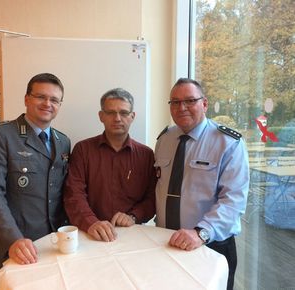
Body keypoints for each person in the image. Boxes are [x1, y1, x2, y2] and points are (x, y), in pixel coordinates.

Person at [0, 73, 71, 279]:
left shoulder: (63, 141)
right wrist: (12, 239)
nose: (47, 103)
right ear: (27, 99)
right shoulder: (0, 135)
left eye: (54, 100)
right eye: (40, 97)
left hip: (51, 244)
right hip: (14, 243)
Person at [155, 78, 249, 290]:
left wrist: (201, 233)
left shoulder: (228, 143)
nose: (182, 107)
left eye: (190, 100)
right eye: (175, 102)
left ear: (204, 103)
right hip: (166, 241)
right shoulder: (164, 139)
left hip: (210, 244)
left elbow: (233, 201)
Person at [64, 88, 156, 242]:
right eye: (111, 113)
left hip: (133, 235)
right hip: (90, 234)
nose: (117, 118)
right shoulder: (83, 150)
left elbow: (153, 197)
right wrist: (91, 222)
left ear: (132, 117)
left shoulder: (146, 155)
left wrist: (133, 216)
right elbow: (74, 194)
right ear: (101, 116)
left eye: (124, 113)